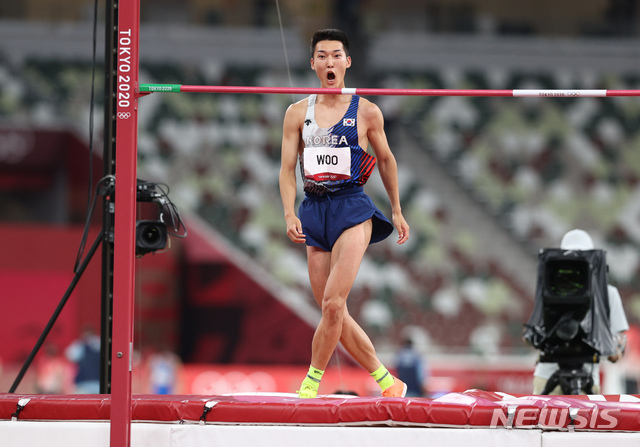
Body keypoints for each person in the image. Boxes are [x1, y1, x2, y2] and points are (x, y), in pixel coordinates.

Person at [279, 28, 410, 398]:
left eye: (336, 55)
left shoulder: (366, 112)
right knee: (332, 313)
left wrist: (397, 210)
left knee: (334, 303)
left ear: (347, 62)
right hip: (314, 209)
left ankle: (310, 384)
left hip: (352, 208)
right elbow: (287, 169)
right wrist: (289, 214)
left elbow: (386, 160)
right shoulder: (295, 114)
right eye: (322, 56)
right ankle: (388, 381)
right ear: (313, 64)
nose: (330, 62)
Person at [532, 229, 629, 394]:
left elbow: (620, 338)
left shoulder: (607, 293)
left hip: (564, 375)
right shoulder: (550, 291)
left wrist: (615, 350)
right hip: (555, 376)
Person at [65, 326, 101, 394]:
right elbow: (70, 356)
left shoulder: (99, 343)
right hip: (83, 383)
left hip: (98, 383)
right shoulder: (79, 345)